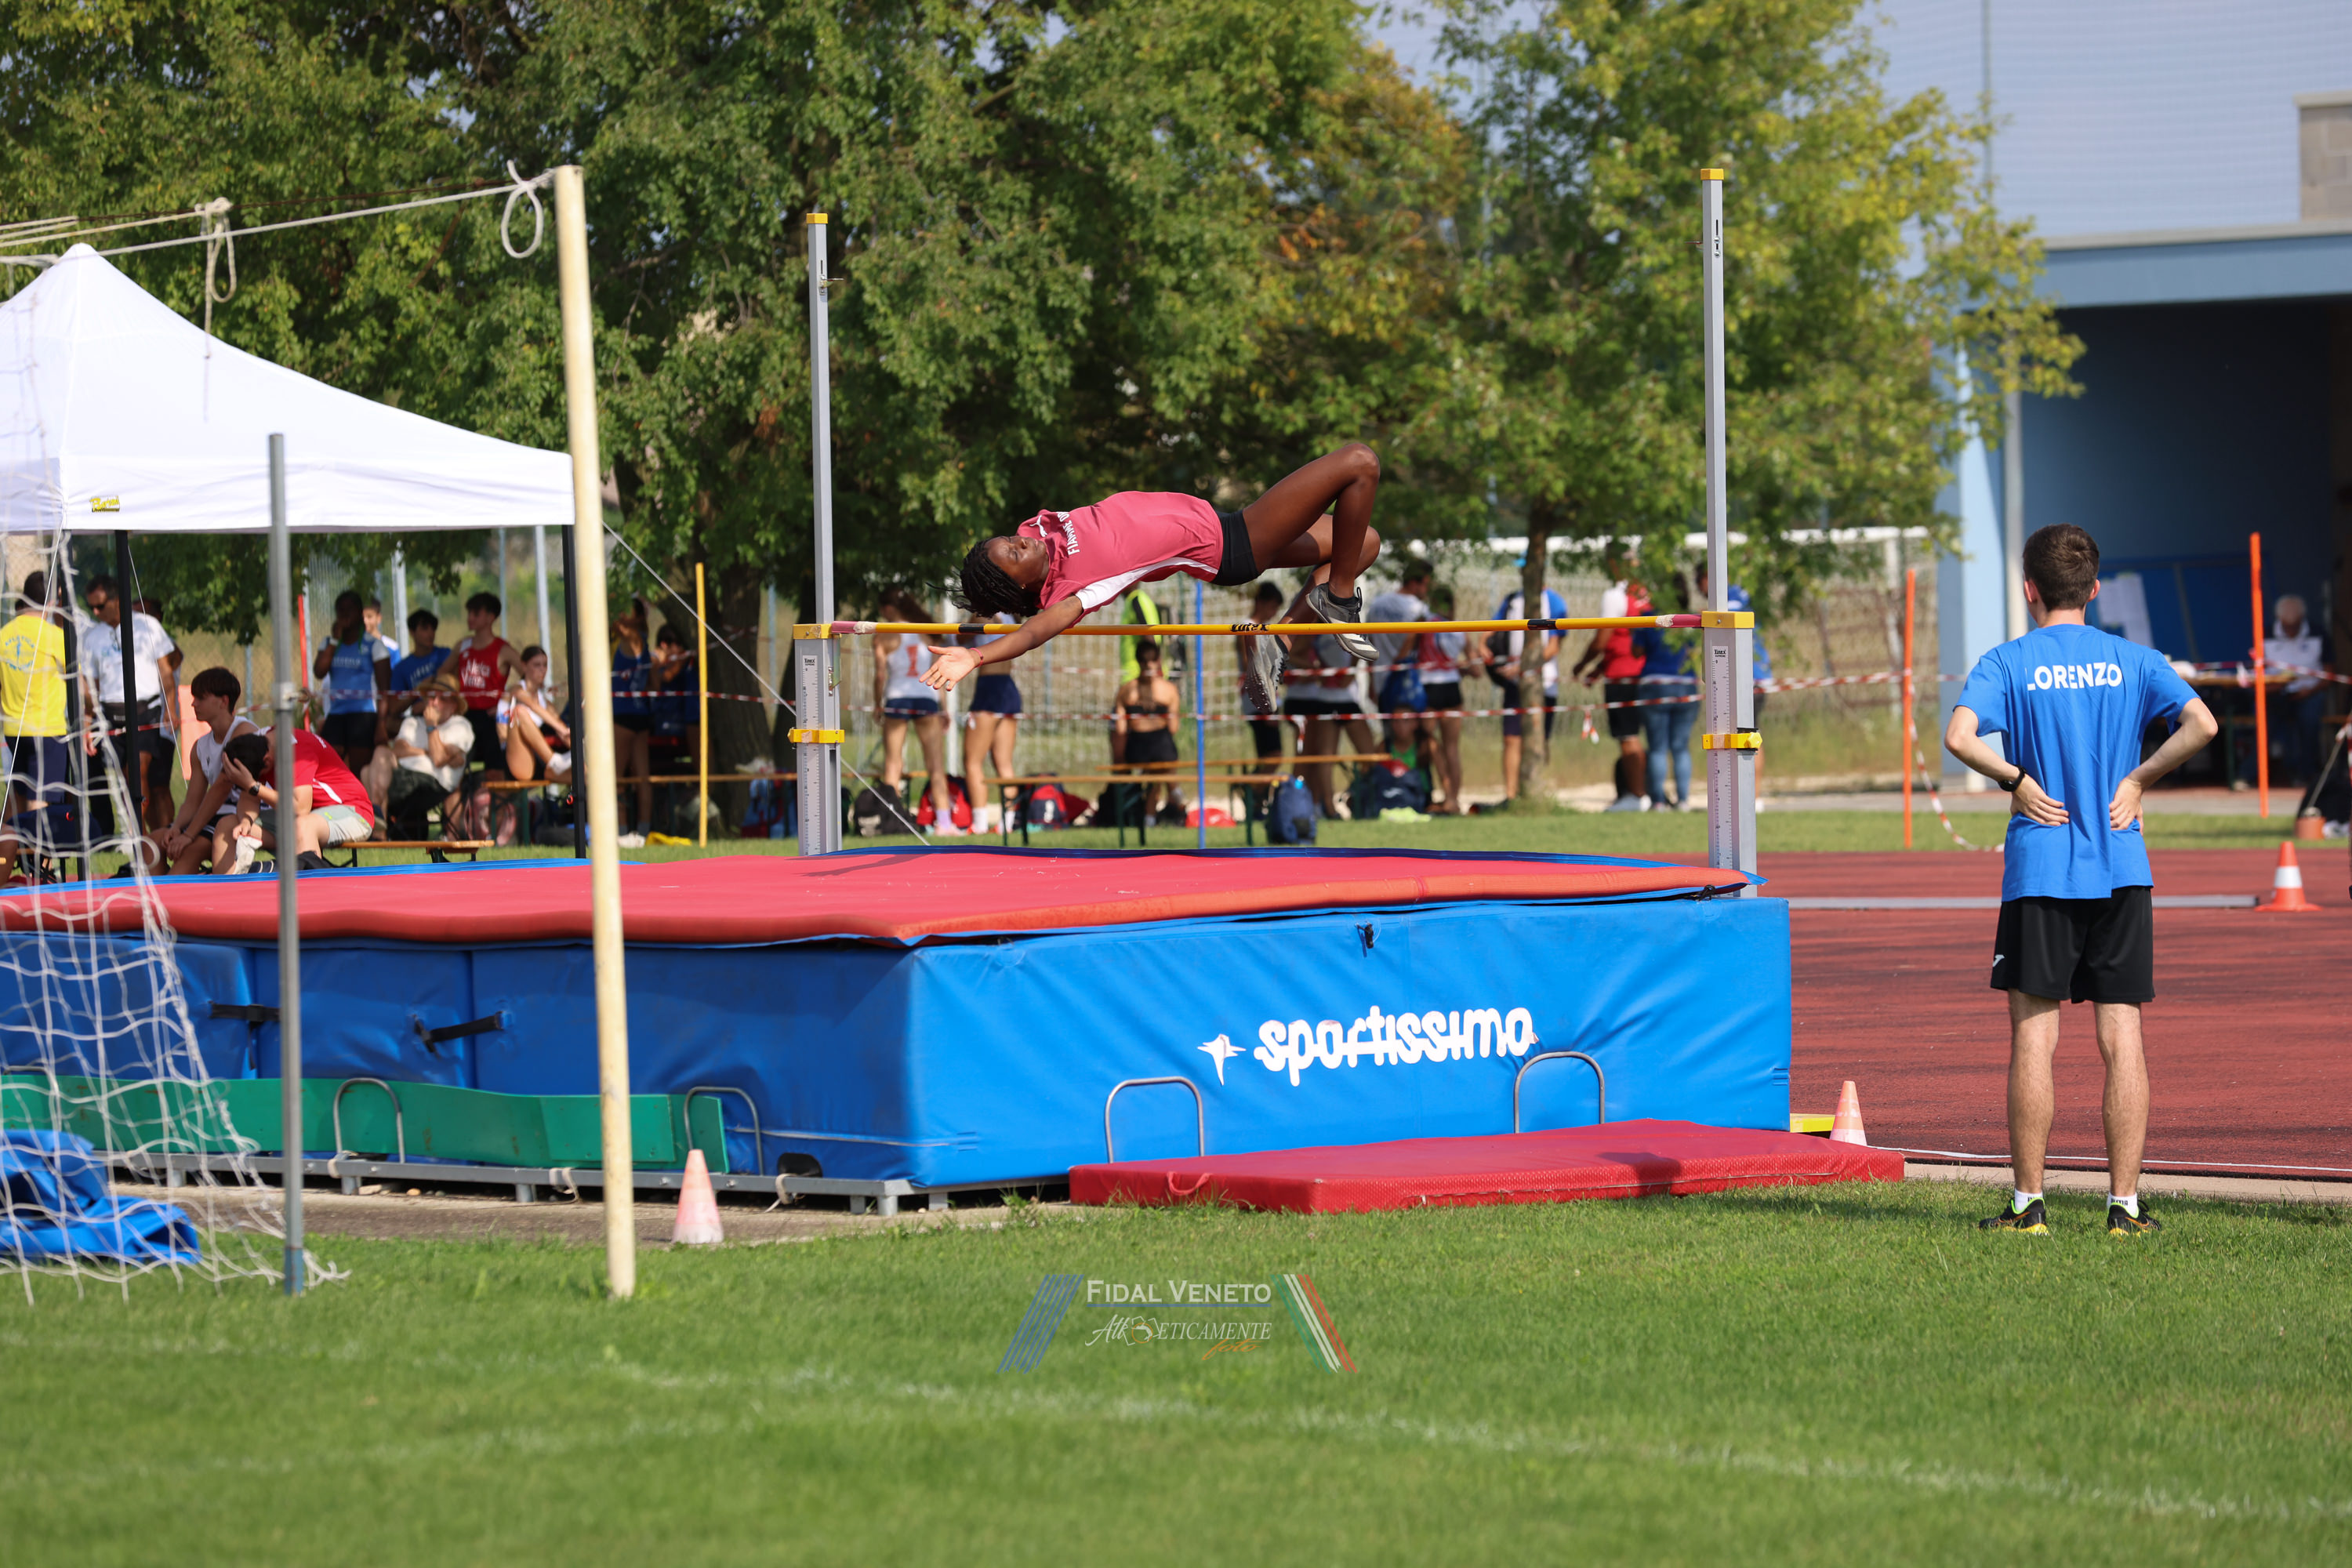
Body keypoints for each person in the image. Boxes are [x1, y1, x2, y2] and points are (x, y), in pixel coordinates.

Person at [1944, 523, 2218, 1238]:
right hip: (2122, 866)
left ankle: (2029, 1205)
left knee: (2034, 1038)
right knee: (2122, 1035)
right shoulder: (2134, 659)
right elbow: (2202, 724)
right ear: (2093, 589)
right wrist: (2138, 779)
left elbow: (1959, 737)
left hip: (2040, 868)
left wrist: (2015, 779)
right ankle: (2124, 1207)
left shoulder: (2007, 661)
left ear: (2029, 589)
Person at [929, 444, 1387, 708]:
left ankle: (1281, 639)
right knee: (1359, 461)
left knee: (1362, 543)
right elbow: (1033, 633)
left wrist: (988, 579)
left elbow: (1004, 564)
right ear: (1018, 583)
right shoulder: (1076, 589)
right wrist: (975, 656)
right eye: (1013, 552)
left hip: (1222, 521)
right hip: (1234, 545)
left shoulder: (1038, 533)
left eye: (1010, 539)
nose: (1020, 540)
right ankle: (1339, 601)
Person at [79, 572, 182, 837]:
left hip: (145, 710)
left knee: (138, 771)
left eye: (100, 605)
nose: (95, 612)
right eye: (91, 606)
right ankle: (139, 833)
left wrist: (170, 708)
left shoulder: (148, 626)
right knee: (125, 779)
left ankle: (139, 835)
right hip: (110, 714)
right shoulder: (93, 637)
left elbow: (166, 671)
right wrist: (87, 724)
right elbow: (91, 687)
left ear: (116, 600)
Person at [0, 573, 74, 882]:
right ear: (54, 599)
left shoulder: (4, 634)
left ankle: (5, 870)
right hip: (47, 730)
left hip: (13, 731)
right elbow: (77, 678)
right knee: (40, 804)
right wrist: (88, 714)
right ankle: (39, 872)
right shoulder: (54, 635)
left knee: (16, 801)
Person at [220, 725, 378, 870]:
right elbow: (249, 799)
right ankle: (227, 889)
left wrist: (253, 786)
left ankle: (311, 888)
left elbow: (300, 807)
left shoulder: (296, 751)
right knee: (227, 825)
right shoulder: (260, 746)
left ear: (267, 762)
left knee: (303, 826)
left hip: (354, 812)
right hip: (304, 819)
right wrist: (246, 822)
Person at [156, 667, 261, 875]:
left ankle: (174, 891)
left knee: (189, 850)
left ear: (223, 701)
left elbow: (222, 787)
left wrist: (188, 835)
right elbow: (193, 801)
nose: (193, 704)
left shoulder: (244, 732)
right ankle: (161, 891)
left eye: (200, 698)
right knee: (152, 843)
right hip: (214, 815)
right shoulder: (200, 746)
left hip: (243, 815)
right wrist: (176, 827)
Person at [873, 593, 958, 833]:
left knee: (893, 763)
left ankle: (890, 820)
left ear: (889, 609)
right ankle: (944, 823)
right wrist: (943, 709)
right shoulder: (925, 632)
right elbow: (938, 673)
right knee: (935, 764)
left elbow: (880, 675)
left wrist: (877, 704)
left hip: (897, 698)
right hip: (926, 697)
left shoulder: (883, 634)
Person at [1573, 561, 1652, 810]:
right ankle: (1649, 794)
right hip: (1646, 674)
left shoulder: (1615, 595)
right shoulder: (1647, 594)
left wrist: (1581, 665)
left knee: (1628, 737)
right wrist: (1597, 670)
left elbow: (1603, 640)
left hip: (1622, 676)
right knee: (1647, 739)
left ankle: (1637, 796)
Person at [1696, 562, 1773, 803]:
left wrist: (1705, 618)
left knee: (1748, 736)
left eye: (1701, 580)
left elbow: (1726, 619)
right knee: (1737, 736)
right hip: (1743, 676)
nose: (1700, 587)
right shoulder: (1738, 596)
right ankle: (1741, 797)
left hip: (1748, 678)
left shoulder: (1732, 600)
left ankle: (1753, 798)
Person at [1285, 630, 1381, 819]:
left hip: (1343, 700)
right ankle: (1328, 807)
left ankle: (1359, 800)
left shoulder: (1341, 627)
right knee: (1323, 758)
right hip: (1328, 700)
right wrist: (1317, 670)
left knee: (1367, 756)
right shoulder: (1317, 631)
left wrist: (1349, 669)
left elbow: (1365, 645)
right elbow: (1291, 653)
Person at [1492, 576, 1566, 804]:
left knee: (1538, 740)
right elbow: (1491, 630)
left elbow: (1553, 647)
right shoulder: (1512, 599)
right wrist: (1485, 648)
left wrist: (1522, 667)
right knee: (1511, 739)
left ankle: (1536, 793)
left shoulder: (1554, 601)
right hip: (1515, 683)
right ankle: (1511, 797)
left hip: (1543, 683)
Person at [312, 588, 392, 781]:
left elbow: (385, 689)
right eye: (340, 610)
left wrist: (381, 724)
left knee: (358, 772)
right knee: (329, 769)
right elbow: (319, 672)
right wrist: (334, 640)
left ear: (359, 613)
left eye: (350, 609)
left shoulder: (374, 645)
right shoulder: (329, 643)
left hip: (364, 715)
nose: (345, 614)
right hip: (336, 714)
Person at [386, 674, 474, 840]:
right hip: (401, 777)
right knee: (373, 768)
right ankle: (378, 835)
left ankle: (378, 834)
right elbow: (397, 751)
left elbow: (438, 759)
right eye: (432, 697)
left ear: (453, 705)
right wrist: (429, 752)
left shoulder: (461, 725)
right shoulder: (412, 723)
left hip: (432, 785)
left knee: (377, 778)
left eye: (442, 699)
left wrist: (431, 727)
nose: (434, 703)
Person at [1630, 603, 1698, 811]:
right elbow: (1695, 649)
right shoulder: (1691, 619)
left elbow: (1636, 651)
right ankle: (1683, 801)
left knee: (1658, 748)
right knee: (1681, 748)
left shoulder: (1650, 617)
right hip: (1685, 684)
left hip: (1655, 684)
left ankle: (1658, 802)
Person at [2259, 593, 2332, 785]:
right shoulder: (2264, 634)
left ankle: (2308, 773)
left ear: (2302, 618)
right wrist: (2272, 687)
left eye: (2295, 626)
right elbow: (2254, 672)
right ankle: (2252, 774)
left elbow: (2329, 675)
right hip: (2276, 694)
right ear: (2279, 619)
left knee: (2309, 722)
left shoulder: (2319, 633)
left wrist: (2310, 691)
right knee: (2265, 724)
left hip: (2310, 693)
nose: (2291, 630)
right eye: (2287, 626)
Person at [1112, 638, 1187, 823]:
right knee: (1160, 764)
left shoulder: (1128, 690)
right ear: (1139, 662)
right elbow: (1121, 731)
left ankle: (1150, 817)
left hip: (1153, 747)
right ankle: (1175, 793)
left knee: (1155, 772)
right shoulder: (1167, 690)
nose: (1149, 665)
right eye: (1146, 661)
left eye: (1152, 660)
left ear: (1158, 660)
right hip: (1145, 748)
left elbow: (1173, 728)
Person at [447, 591, 522, 775]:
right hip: (464, 714)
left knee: (495, 770)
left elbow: (529, 678)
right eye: (469, 613)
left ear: (490, 617)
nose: (470, 618)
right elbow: (443, 673)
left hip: (491, 717)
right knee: (454, 765)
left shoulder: (503, 649)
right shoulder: (462, 646)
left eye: (476, 613)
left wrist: (507, 704)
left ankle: (497, 794)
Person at [1417, 583, 1477, 814]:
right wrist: (1458, 668)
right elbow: (1477, 669)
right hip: (1451, 687)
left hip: (1428, 687)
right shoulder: (1458, 628)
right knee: (1452, 748)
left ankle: (1443, 791)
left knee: (1431, 744)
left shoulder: (1423, 624)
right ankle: (1453, 799)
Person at [962, 613, 1023, 834]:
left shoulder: (983, 615)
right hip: (1008, 688)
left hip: (989, 689)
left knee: (972, 762)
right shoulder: (1010, 617)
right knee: (1004, 764)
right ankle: (1007, 823)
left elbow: (958, 639)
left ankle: (979, 824)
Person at [1367, 562, 1432, 759]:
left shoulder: (1378, 604)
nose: (1427, 590)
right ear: (1414, 583)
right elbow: (1414, 641)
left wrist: (1371, 682)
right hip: (1409, 684)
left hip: (1381, 681)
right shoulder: (1419, 609)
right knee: (1418, 740)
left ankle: (1391, 775)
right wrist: (1397, 667)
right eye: (1426, 584)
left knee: (1390, 737)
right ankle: (1413, 777)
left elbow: (1369, 644)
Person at [1240, 582, 1292, 806]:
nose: (1274, 612)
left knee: (1268, 755)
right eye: (1272, 606)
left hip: (1264, 695)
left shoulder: (1263, 628)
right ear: (1261, 602)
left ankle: (1256, 796)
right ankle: (1251, 791)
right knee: (1274, 755)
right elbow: (1252, 665)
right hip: (1258, 697)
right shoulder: (1248, 627)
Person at [610, 601, 655, 844]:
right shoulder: (644, 642)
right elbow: (654, 682)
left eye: (626, 609)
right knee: (642, 777)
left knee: (616, 776)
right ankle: (643, 831)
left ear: (636, 616)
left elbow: (613, 623)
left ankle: (622, 831)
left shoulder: (630, 637)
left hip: (623, 715)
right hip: (640, 714)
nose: (620, 613)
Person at [499, 644, 572, 783]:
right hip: (515, 758)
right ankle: (553, 761)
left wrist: (580, 750)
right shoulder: (516, 689)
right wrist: (561, 728)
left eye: (545, 665)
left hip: (539, 760)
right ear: (524, 666)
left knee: (586, 773)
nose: (542, 670)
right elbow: (532, 706)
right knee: (520, 712)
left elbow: (562, 729)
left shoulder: (545, 702)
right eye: (537, 665)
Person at [387, 608, 450, 729]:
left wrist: (427, 703)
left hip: (445, 714)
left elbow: (454, 687)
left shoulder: (445, 655)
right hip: (419, 718)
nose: (431, 633)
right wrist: (418, 691)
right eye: (425, 628)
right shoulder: (402, 668)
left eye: (433, 629)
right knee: (388, 723)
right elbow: (394, 708)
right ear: (412, 632)